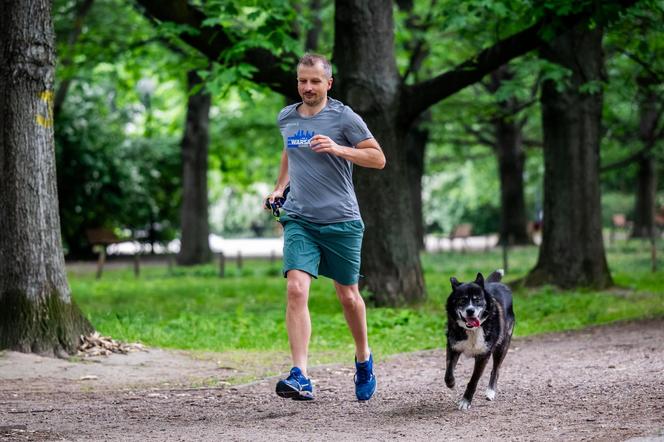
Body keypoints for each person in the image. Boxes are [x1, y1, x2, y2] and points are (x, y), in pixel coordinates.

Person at [265, 53, 386, 401]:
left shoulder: (343, 116)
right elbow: (290, 150)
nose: (307, 87)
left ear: (328, 83)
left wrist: (338, 148)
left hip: (342, 221)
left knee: (348, 297)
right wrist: (279, 187)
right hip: (300, 217)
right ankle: (300, 374)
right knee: (296, 290)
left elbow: (378, 158)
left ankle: (363, 358)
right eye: (302, 81)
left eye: (315, 81)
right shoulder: (287, 117)